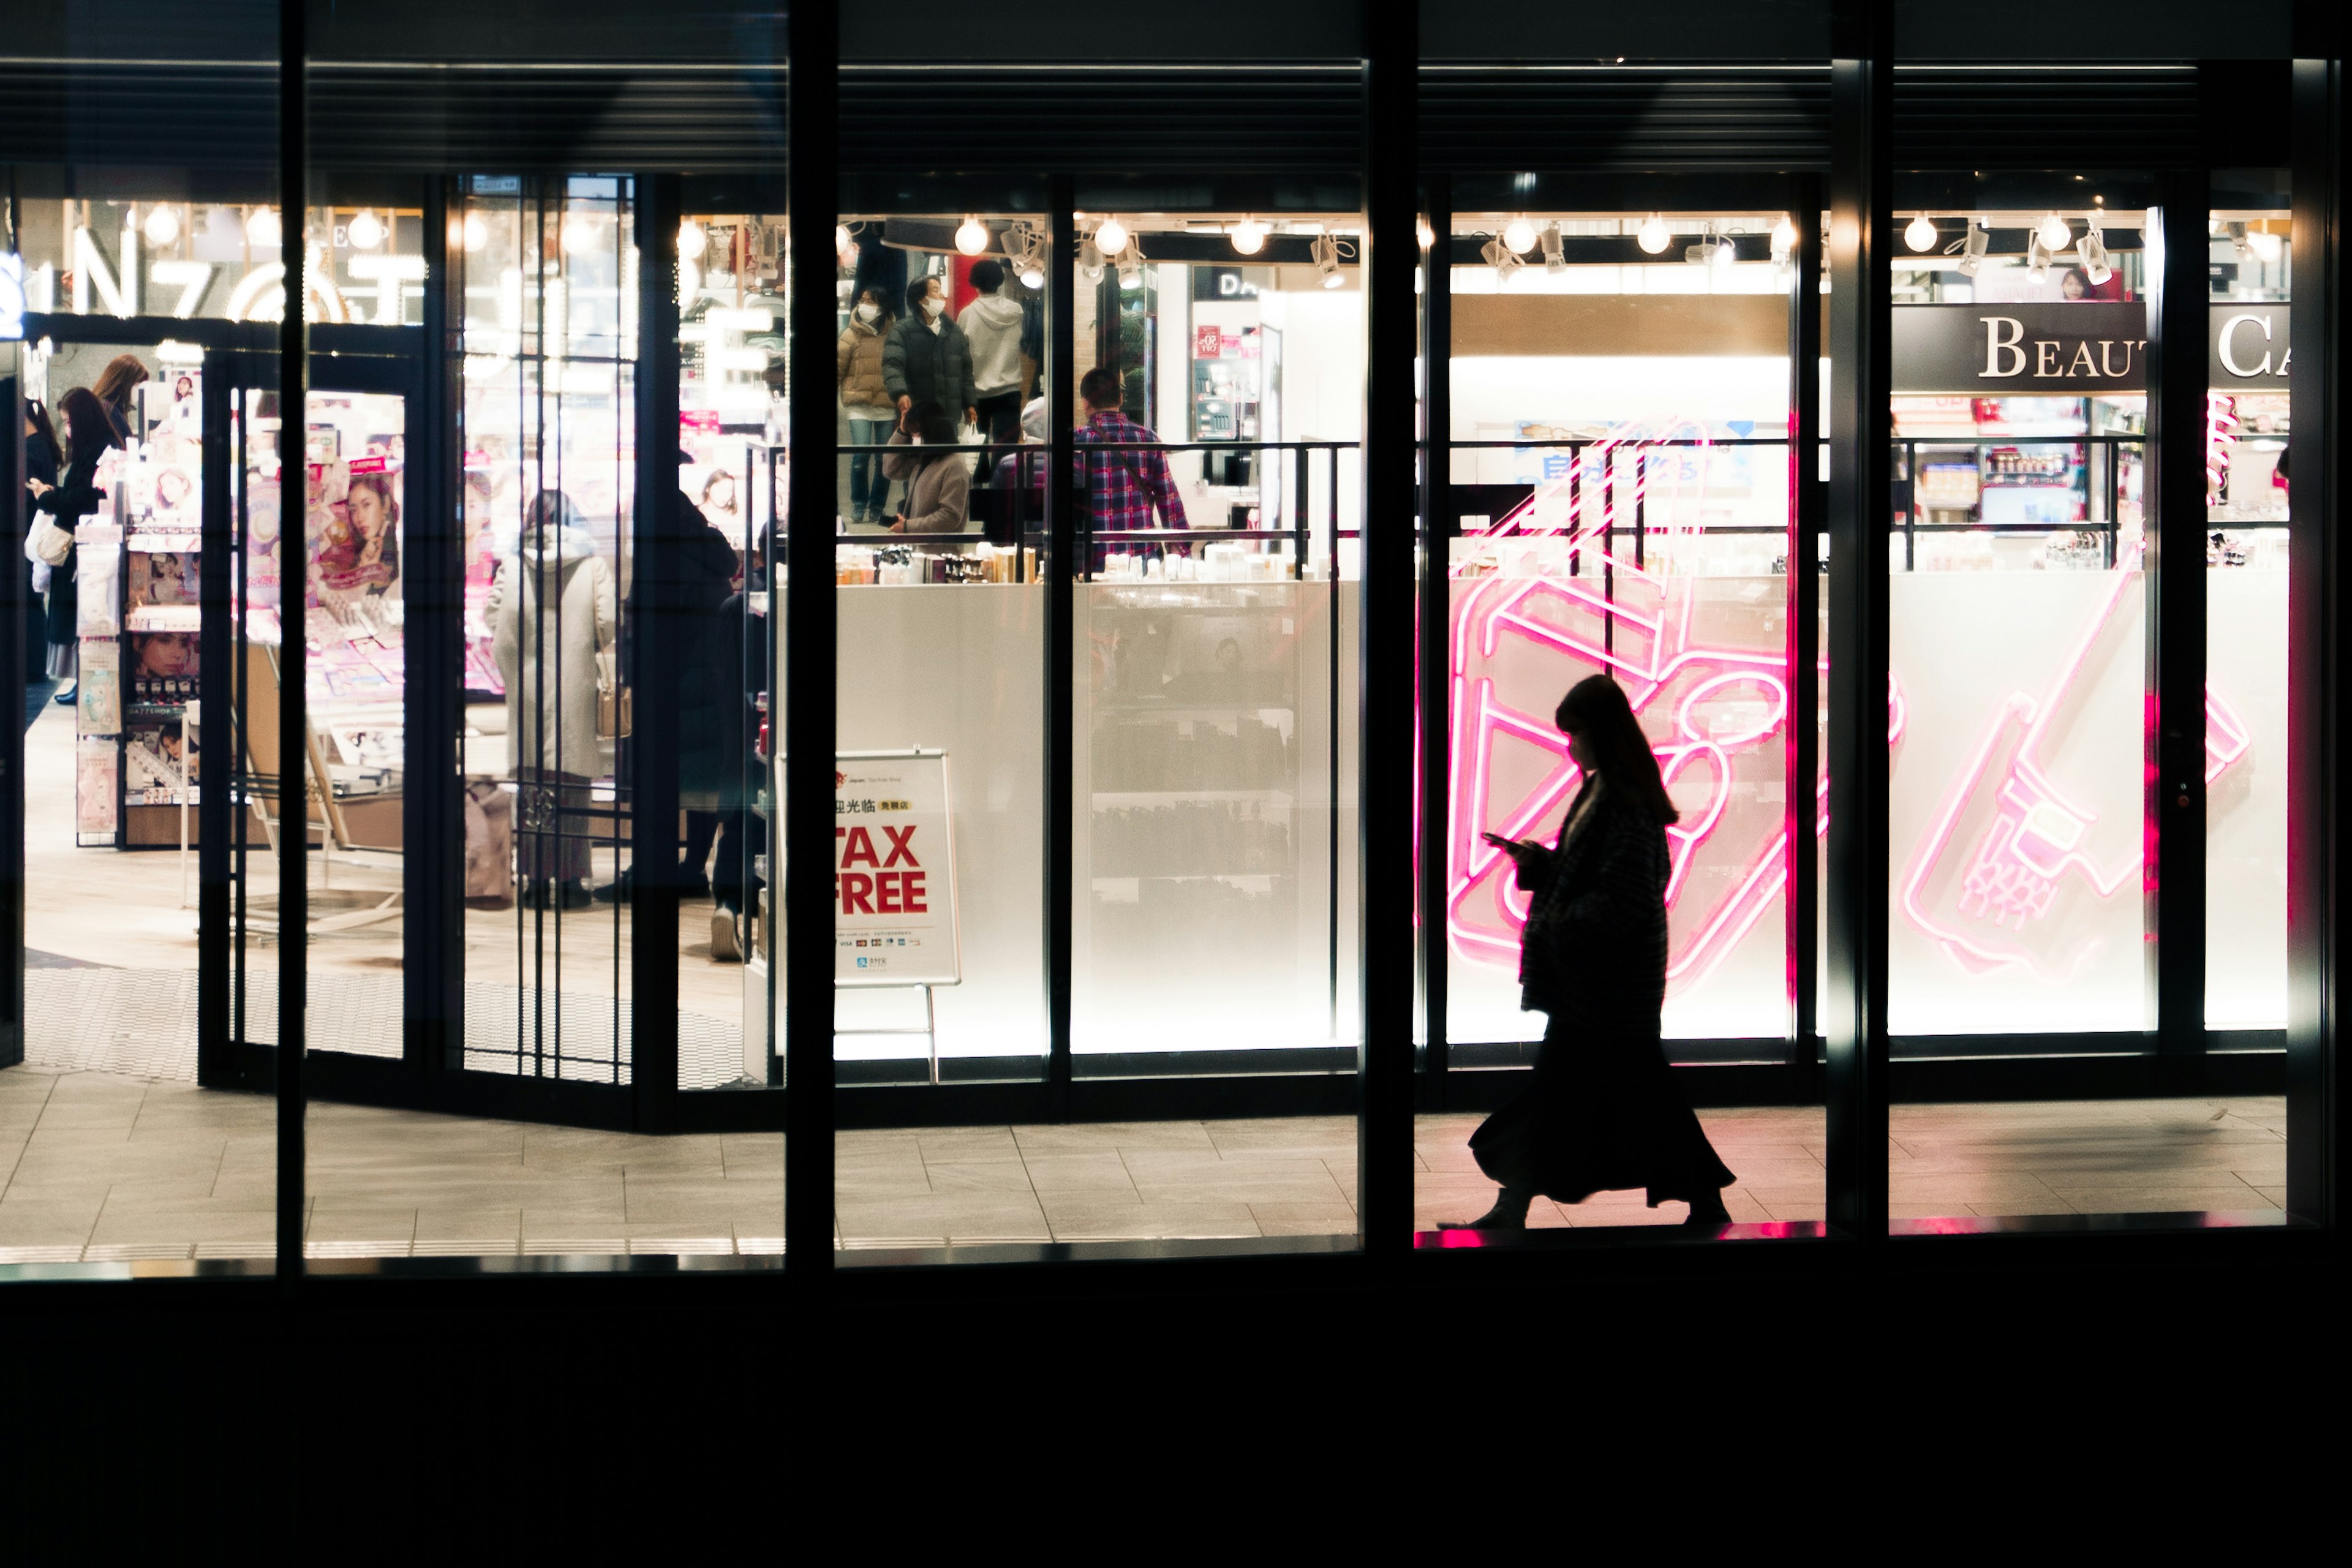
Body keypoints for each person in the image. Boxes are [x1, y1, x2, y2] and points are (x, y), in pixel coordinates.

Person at [1444, 673, 1736, 1231]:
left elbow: (1619, 898)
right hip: (1608, 985)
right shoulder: (1611, 790)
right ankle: (1703, 1199)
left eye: (1574, 733)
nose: (1569, 745)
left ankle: (1514, 1206)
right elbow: (1605, 883)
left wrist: (1557, 915)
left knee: (1571, 1090)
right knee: (1632, 1093)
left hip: (1605, 987)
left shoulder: (1618, 800)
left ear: (1596, 734)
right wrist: (1543, 867)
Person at [488, 490, 617, 911]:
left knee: (531, 785)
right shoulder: (594, 565)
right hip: (574, 688)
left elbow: (494, 617)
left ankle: (535, 881)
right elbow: (607, 623)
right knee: (572, 786)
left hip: (526, 688)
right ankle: (573, 881)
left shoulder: (512, 563)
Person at [28, 388, 123, 703]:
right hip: (86, 544)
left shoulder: (96, 451)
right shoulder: (101, 447)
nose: (66, 429)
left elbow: (82, 500)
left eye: (69, 421)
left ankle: (86, 683)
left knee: (84, 618)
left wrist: (47, 497)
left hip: (86, 548)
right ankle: (83, 682)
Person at [1075, 364, 1187, 564]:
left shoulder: (1076, 442)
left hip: (1091, 558)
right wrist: (1180, 551)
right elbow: (1168, 500)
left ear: (1085, 403)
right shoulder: (1147, 439)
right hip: (1140, 556)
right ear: (1121, 399)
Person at [881, 274, 977, 435]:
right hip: (917, 415)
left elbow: (966, 371)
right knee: (917, 460)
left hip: (948, 417)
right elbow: (892, 365)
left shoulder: (954, 331)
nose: (941, 295)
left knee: (947, 459)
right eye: (935, 290)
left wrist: (969, 404)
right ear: (921, 300)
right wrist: (900, 393)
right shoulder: (902, 331)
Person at [837, 285, 900, 525]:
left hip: (886, 405)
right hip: (858, 406)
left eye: (870, 301)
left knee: (884, 459)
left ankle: (877, 505)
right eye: (862, 300)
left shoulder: (895, 334)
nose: (864, 305)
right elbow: (838, 369)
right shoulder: (850, 335)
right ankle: (858, 503)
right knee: (860, 456)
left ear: (882, 307)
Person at [959, 258, 1026, 472]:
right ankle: (1002, 495)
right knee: (1006, 451)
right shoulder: (1016, 312)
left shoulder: (967, 315)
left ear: (974, 282)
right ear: (1000, 281)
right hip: (1009, 390)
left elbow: (960, 355)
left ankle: (978, 499)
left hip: (977, 393)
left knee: (976, 450)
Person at [881, 401, 972, 533]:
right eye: (912, 435)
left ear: (932, 432)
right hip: (919, 547)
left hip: (940, 551)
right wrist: (901, 433)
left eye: (917, 435)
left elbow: (950, 517)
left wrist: (908, 526)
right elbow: (891, 470)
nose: (914, 440)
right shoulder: (923, 461)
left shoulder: (954, 466)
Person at [91, 354, 149, 442]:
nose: (139, 393)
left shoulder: (110, 407)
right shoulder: (108, 411)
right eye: (138, 386)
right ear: (125, 384)